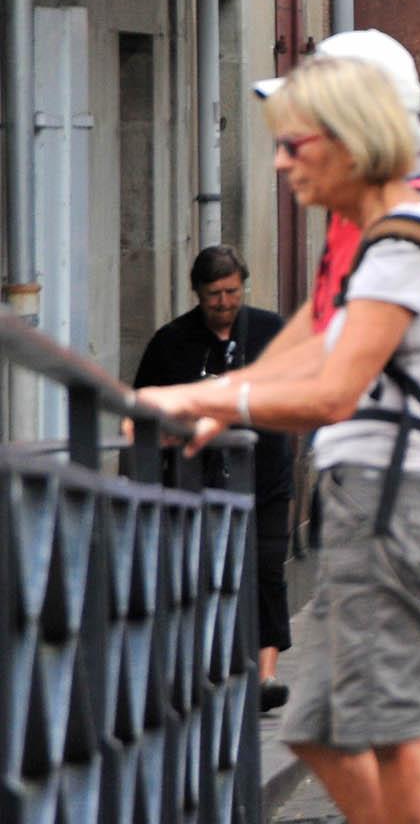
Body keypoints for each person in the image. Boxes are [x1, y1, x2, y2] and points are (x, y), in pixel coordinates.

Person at [136, 56, 420, 824]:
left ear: (351, 141)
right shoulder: (374, 237)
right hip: (376, 502)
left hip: (401, 501)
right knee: (316, 728)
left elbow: (331, 388)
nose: (282, 160)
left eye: (296, 143)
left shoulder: (401, 243)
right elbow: (312, 337)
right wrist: (200, 396)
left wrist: (214, 401)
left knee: (394, 732)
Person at [133, 246, 294, 710]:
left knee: (266, 571)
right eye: (213, 295)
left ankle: (265, 678)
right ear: (197, 294)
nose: (223, 303)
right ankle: (207, 670)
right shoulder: (171, 341)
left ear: (244, 285)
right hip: (195, 482)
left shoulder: (269, 330)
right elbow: (143, 404)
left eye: (231, 292)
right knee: (201, 574)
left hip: (265, 474)